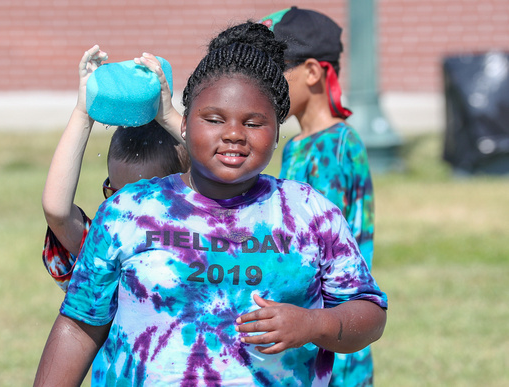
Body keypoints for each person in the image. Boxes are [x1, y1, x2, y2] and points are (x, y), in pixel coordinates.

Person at [34, 21, 387, 386]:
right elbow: (78, 328)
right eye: (214, 119)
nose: (234, 134)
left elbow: (369, 313)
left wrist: (314, 324)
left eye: (254, 122)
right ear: (184, 123)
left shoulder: (310, 213)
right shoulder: (127, 212)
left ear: (277, 132)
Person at [260, 7, 376, 386]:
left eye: (276, 72)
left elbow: (317, 251)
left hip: (331, 347)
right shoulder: (299, 145)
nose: (265, 84)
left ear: (312, 72)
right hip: (304, 335)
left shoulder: (336, 148)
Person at [42, 45, 190, 292]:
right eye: (116, 194)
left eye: (143, 196)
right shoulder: (109, 249)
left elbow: (216, 168)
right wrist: (83, 112)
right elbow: (57, 212)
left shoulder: (206, 239)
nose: (126, 207)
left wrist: (168, 117)